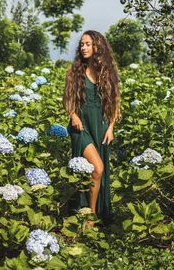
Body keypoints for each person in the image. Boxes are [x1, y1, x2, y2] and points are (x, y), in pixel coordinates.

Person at [63, 30, 121, 227]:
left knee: (98, 173)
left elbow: (115, 104)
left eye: (88, 44)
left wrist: (111, 127)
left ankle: (89, 213)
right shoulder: (75, 72)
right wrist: (73, 116)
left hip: (101, 126)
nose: (84, 47)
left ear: (97, 46)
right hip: (81, 128)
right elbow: (67, 100)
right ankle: (90, 218)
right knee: (96, 168)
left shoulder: (108, 73)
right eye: (82, 44)